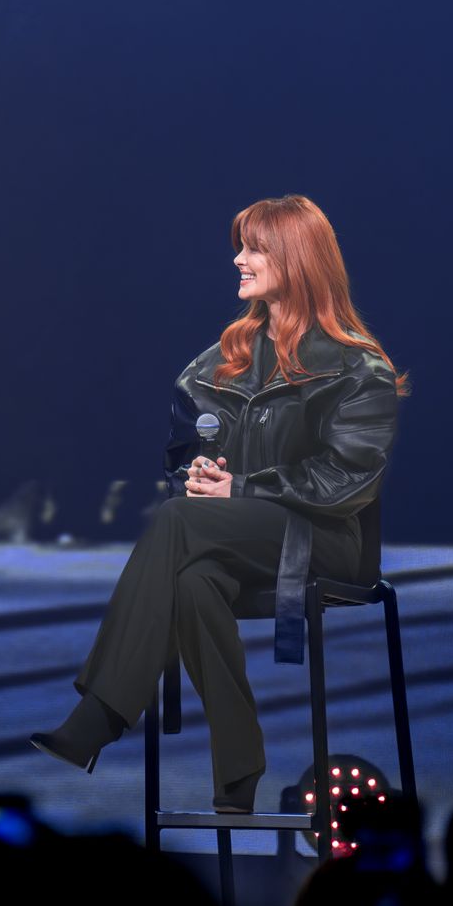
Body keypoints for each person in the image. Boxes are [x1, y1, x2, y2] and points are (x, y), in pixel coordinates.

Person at [32, 194, 405, 812]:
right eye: (242, 246)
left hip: (325, 542)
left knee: (179, 522)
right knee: (195, 580)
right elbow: (181, 448)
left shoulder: (357, 369)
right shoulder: (220, 361)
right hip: (231, 535)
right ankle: (239, 770)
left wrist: (241, 489)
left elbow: (347, 479)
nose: (239, 258)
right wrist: (198, 472)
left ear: (297, 259)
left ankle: (99, 713)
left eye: (255, 247)